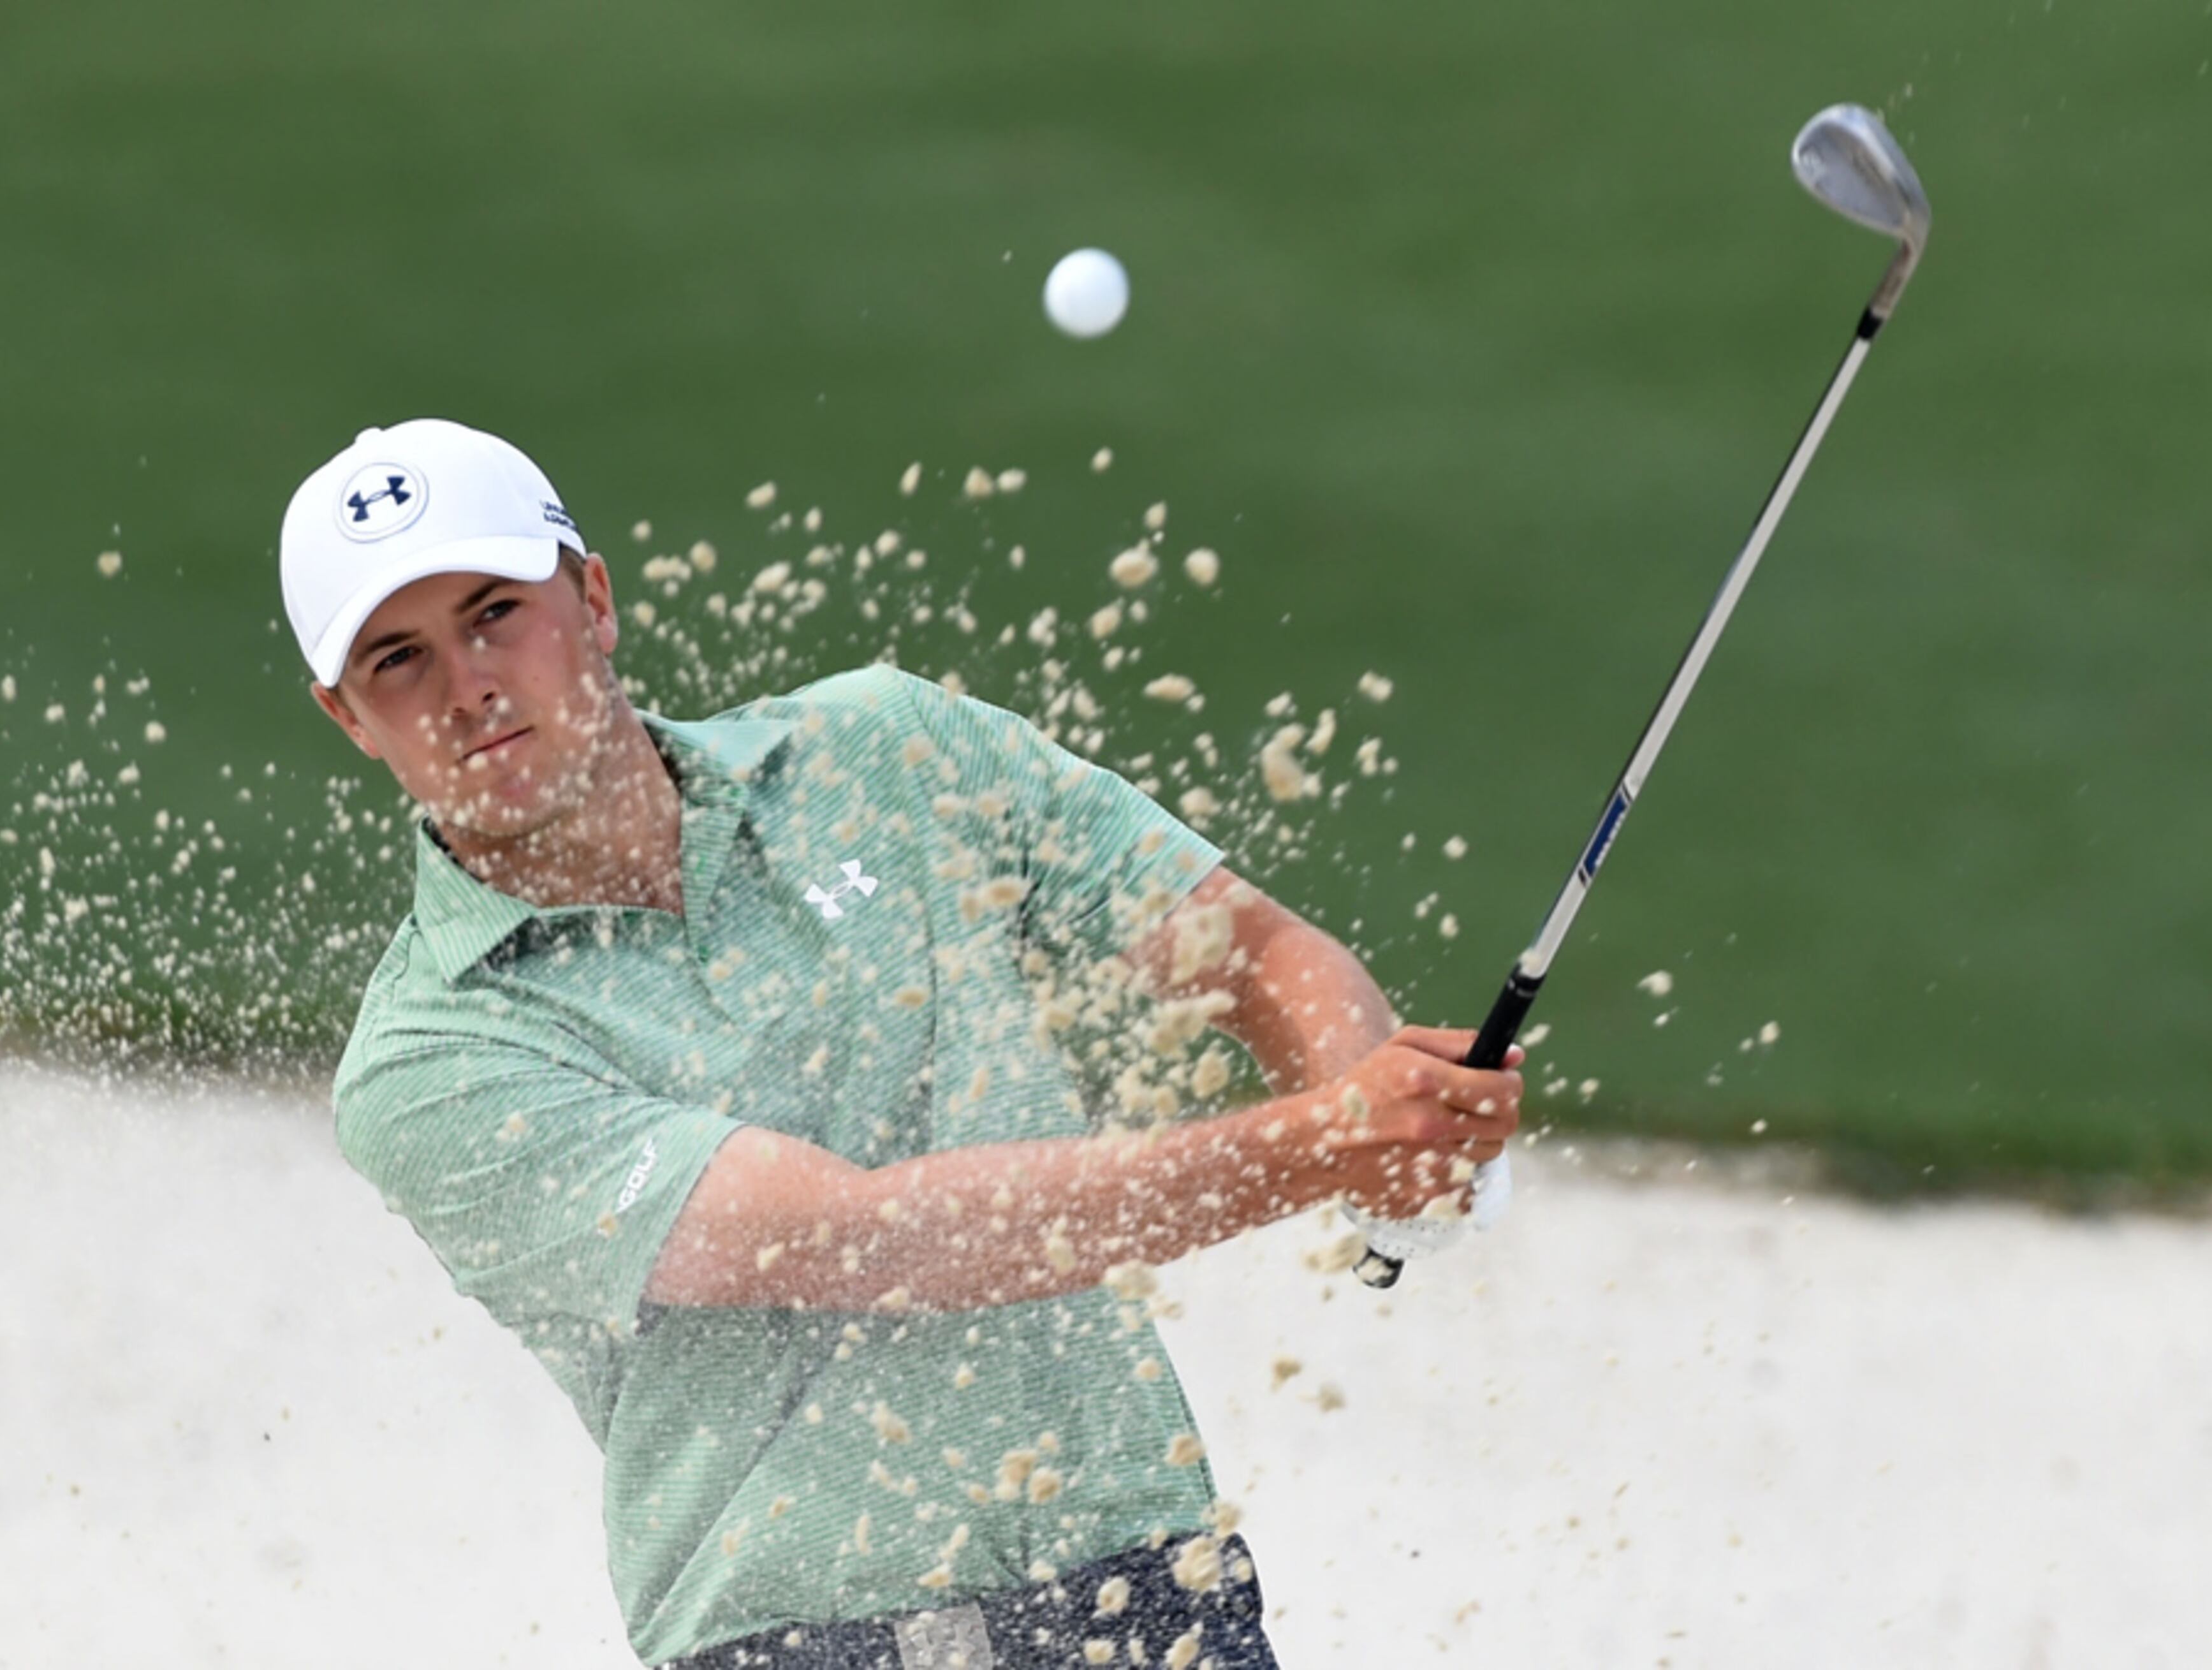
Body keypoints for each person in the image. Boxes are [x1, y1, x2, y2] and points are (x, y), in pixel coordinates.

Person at [281, 419, 1525, 1669]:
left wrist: (1381, 1119)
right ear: (349, 717)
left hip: (1149, 1586)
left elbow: (1247, 948)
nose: (468, 686)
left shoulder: (884, 747)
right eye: (400, 659)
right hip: (804, 1646)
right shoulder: (426, 1062)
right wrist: (1325, 1142)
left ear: (594, 601)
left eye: (495, 614)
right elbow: (868, 1238)